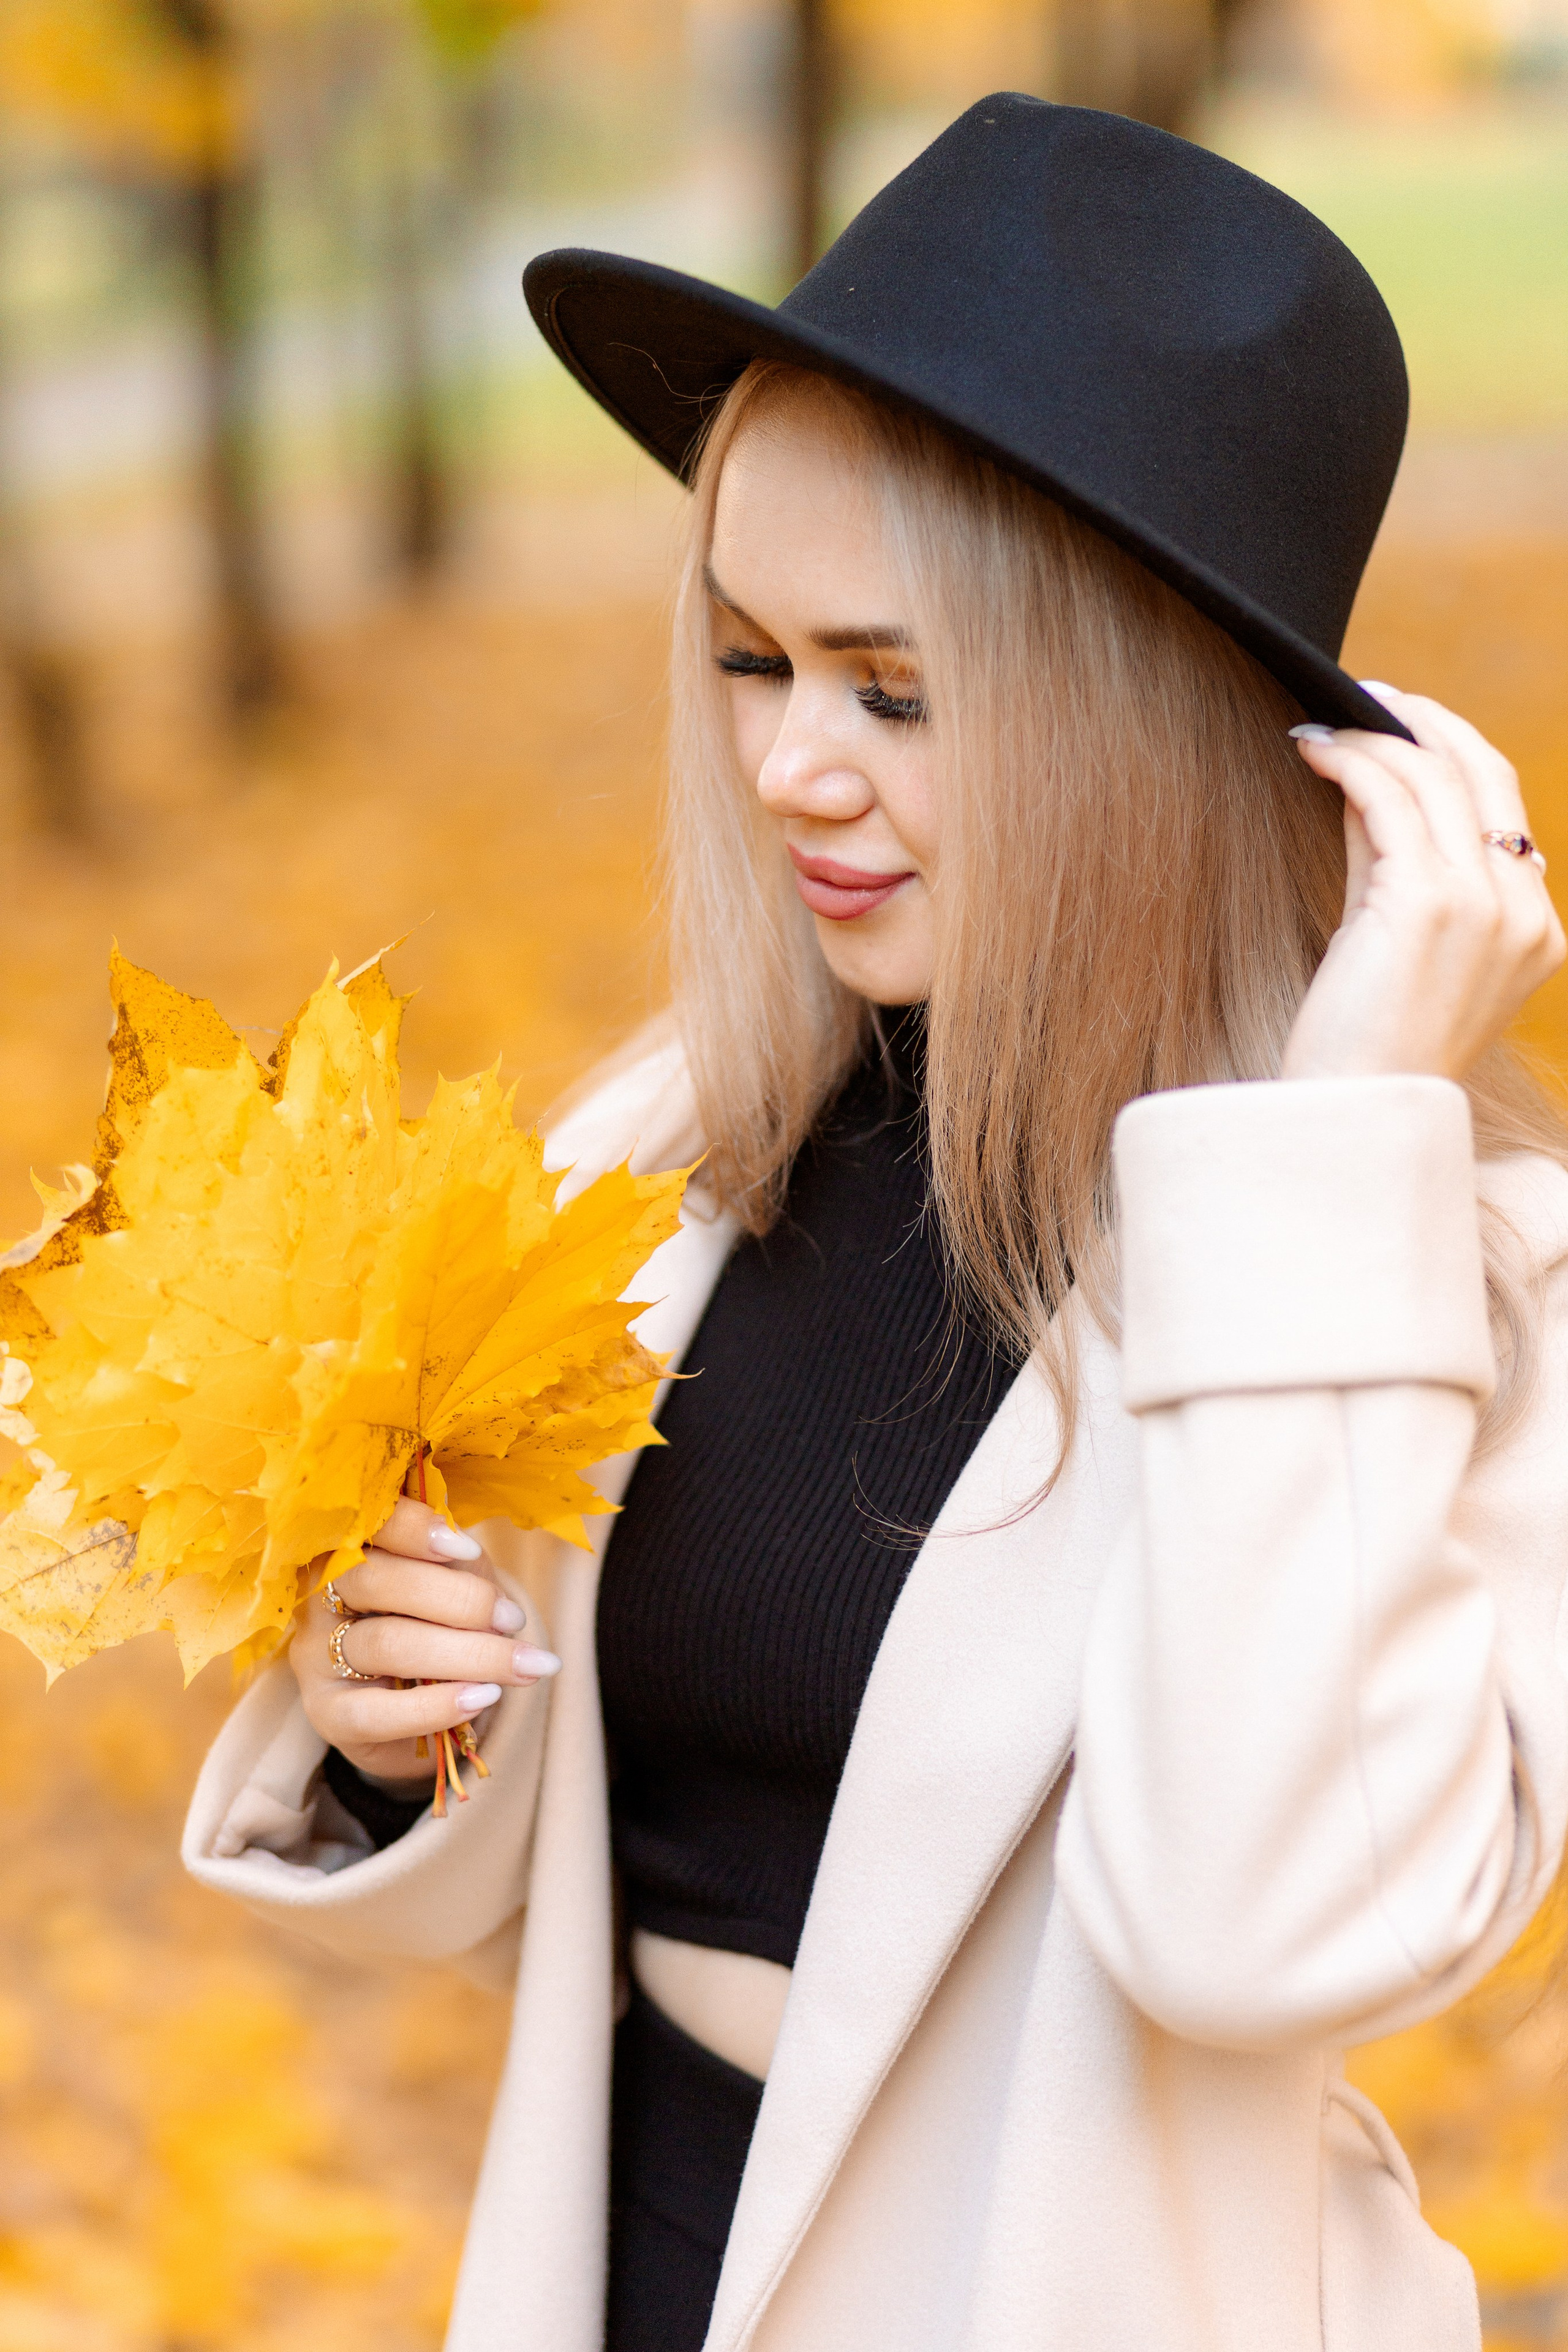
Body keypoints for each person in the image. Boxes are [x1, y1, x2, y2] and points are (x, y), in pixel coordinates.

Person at [184, 94, 1568, 2352]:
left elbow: (1264, 1928)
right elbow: (568, 1874)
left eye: (895, 691)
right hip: (630, 2262)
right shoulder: (668, 1161)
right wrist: (381, 1725)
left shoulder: (1466, 1276)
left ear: (1151, 718)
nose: (787, 769)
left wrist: (1332, 1158)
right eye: (752, 659)